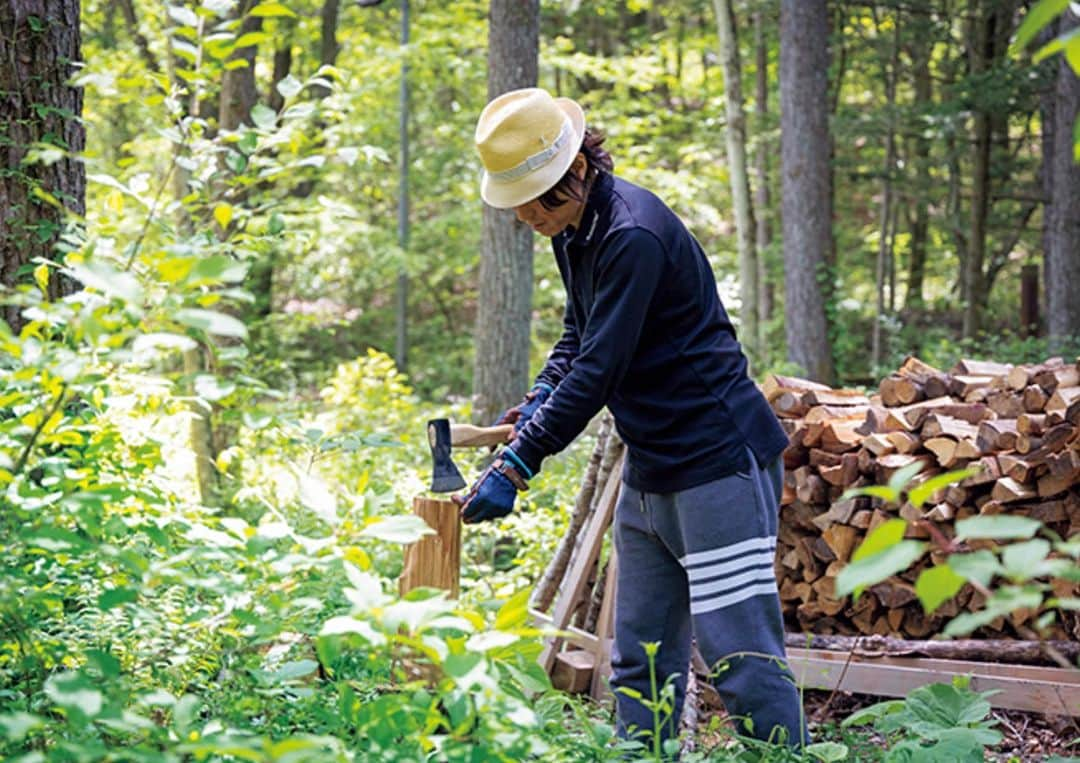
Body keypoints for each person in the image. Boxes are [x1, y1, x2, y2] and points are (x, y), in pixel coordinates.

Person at [453, 87, 807, 750]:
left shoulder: (631, 234)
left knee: (741, 661)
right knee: (640, 659)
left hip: (717, 461)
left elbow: (599, 371)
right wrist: (536, 399)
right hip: (650, 468)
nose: (522, 213)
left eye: (530, 195)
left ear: (573, 172)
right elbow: (577, 337)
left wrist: (520, 460)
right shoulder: (573, 231)